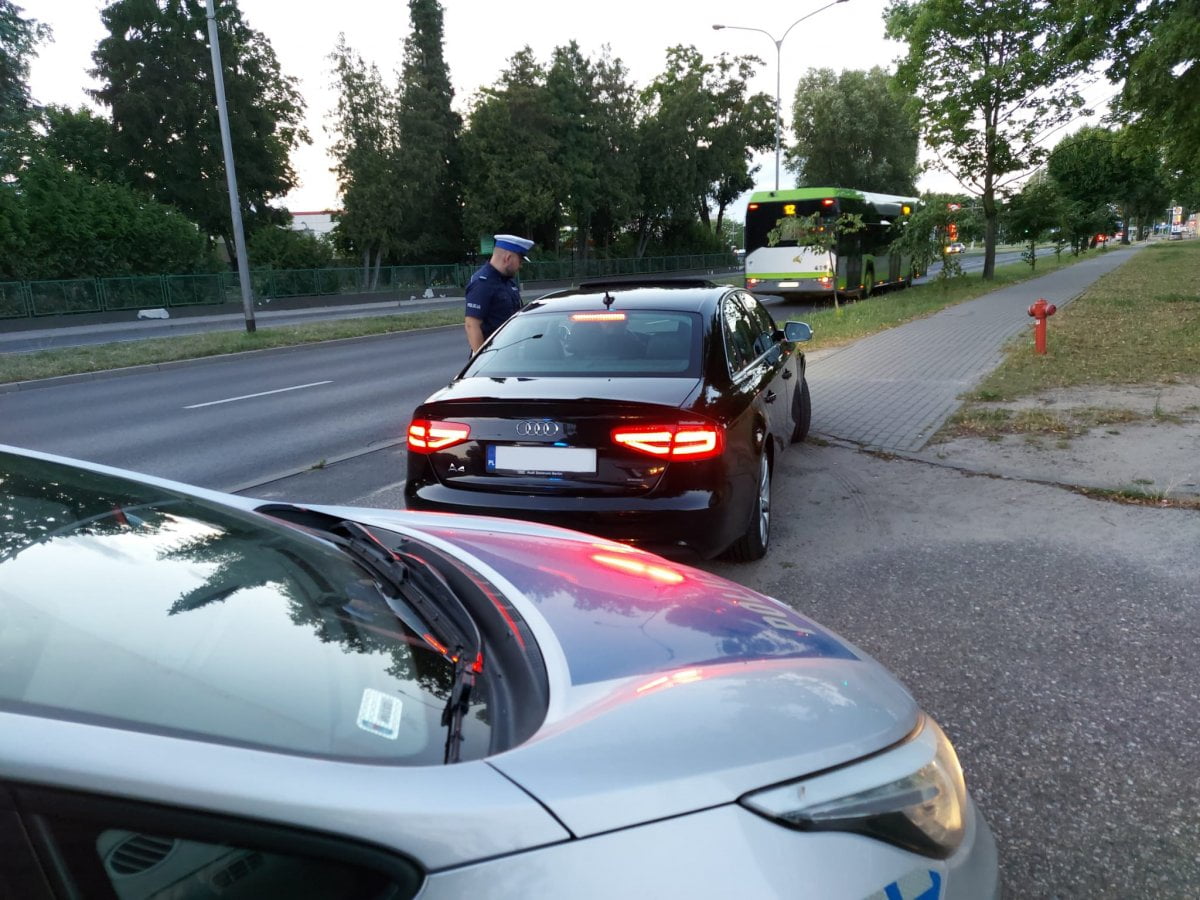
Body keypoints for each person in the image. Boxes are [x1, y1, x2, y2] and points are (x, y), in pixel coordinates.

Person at [464, 234, 534, 353]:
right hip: (494, 356)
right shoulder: (482, 283)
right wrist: (483, 360)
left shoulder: (508, 282)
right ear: (508, 258)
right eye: (520, 261)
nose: (520, 266)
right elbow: (472, 325)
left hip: (510, 352)